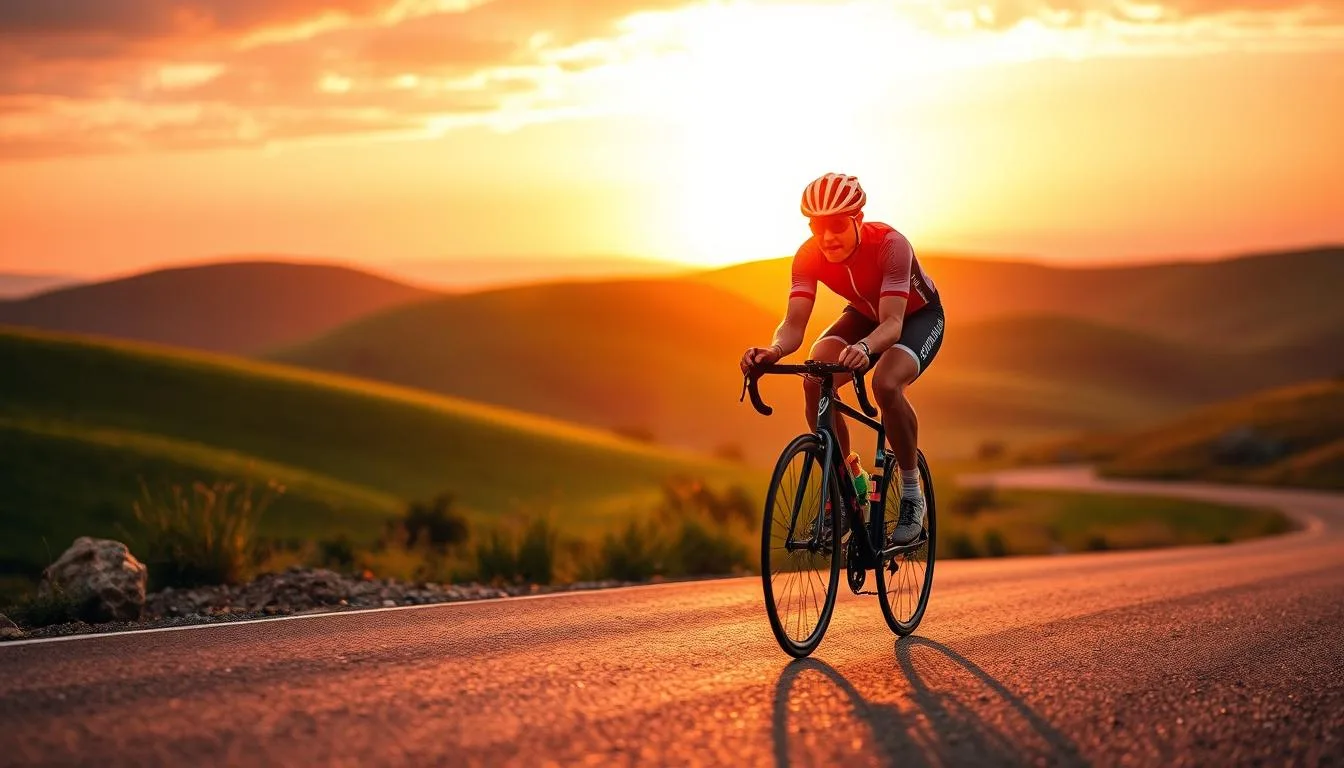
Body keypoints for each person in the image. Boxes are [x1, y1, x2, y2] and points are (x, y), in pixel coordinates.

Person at [739, 173, 945, 545]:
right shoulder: (807, 254)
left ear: (858, 219)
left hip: (916, 317)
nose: (828, 236)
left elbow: (893, 324)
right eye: (818, 227)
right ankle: (850, 484)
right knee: (814, 376)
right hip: (864, 314)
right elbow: (793, 324)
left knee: (885, 383)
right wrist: (772, 350)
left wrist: (866, 348)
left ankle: (913, 494)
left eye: (837, 225)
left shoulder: (891, 245)